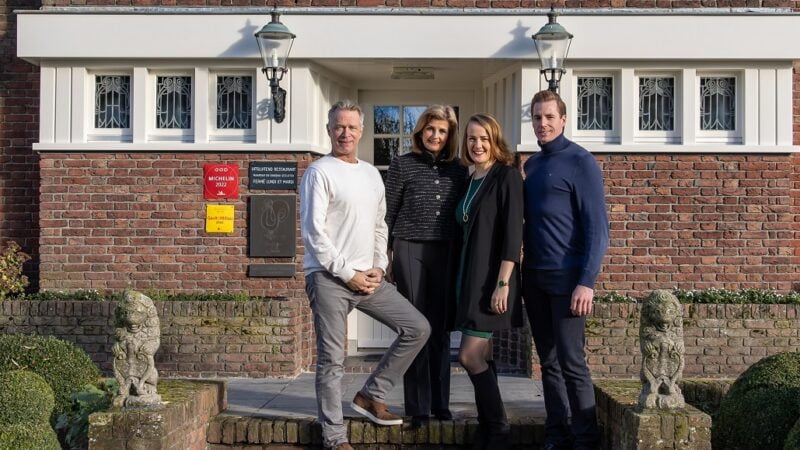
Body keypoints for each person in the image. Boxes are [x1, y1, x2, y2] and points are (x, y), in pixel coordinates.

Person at [300, 100, 431, 450]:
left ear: (361, 131)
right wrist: (348, 274)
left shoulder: (371, 174)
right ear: (329, 130)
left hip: (369, 279)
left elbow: (379, 225)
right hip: (328, 278)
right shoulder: (318, 172)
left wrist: (378, 266)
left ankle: (372, 394)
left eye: (351, 127)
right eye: (339, 127)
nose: (345, 133)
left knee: (418, 328)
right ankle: (334, 436)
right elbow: (313, 234)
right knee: (332, 360)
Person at [522, 90, 609, 450]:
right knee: (548, 362)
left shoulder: (580, 162)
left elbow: (598, 229)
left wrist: (586, 282)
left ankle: (586, 440)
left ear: (563, 119)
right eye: (536, 117)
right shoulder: (532, 166)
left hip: (567, 278)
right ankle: (557, 435)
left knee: (572, 362)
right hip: (534, 277)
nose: (542, 124)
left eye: (549, 117)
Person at [384, 104, 468, 427]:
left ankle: (440, 404)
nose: (435, 135)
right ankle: (417, 407)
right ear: (421, 131)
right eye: (431, 129)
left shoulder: (459, 169)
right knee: (416, 327)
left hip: (446, 252)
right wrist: (386, 256)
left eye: (442, 131)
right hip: (409, 248)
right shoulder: (402, 164)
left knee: (440, 329)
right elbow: (388, 213)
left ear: (450, 135)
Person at [454, 113, 524, 450]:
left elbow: (513, 234)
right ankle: (487, 429)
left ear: (495, 140)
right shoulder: (470, 178)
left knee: (469, 356)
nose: (477, 144)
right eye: (471, 138)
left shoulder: (506, 176)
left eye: (484, 138)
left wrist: (503, 284)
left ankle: (499, 431)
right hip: (470, 277)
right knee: (483, 354)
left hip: (492, 281)